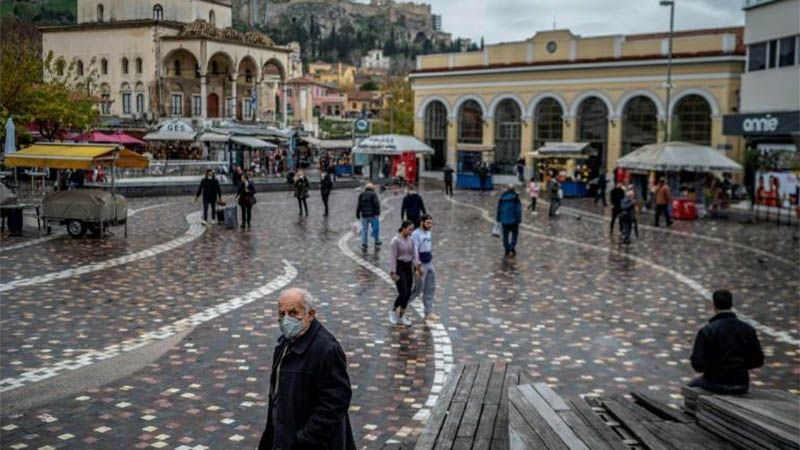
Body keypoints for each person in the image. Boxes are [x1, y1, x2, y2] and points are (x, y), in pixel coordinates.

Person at [257, 288, 356, 450]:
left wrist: (304, 439)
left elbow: (335, 402)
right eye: (282, 314)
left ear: (310, 314)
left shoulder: (326, 349)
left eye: (293, 313)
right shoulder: (286, 344)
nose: (286, 319)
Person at [688, 290, 764, 395]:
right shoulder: (748, 329)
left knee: (690, 387)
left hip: (715, 383)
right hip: (741, 384)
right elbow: (758, 360)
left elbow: (698, 364)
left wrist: (713, 369)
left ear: (714, 305)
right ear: (731, 304)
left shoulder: (707, 331)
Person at [389, 220, 420, 326]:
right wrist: (392, 272)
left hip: (408, 267)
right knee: (403, 292)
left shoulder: (411, 241)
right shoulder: (395, 241)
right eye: (409, 229)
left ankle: (402, 315)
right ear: (403, 228)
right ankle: (393, 311)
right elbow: (392, 257)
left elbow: (415, 254)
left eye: (412, 229)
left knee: (408, 293)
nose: (411, 232)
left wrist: (417, 266)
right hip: (399, 267)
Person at [411, 214, 438, 321]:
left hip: (429, 263)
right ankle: (401, 306)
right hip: (420, 265)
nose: (430, 225)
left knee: (430, 288)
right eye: (428, 223)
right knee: (418, 289)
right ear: (422, 222)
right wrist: (417, 267)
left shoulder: (429, 233)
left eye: (431, 223)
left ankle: (428, 312)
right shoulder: (415, 235)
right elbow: (415, 251)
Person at [496, 184, 522, 257]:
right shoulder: (516, 198)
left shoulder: (502, 198)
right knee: (515, 234)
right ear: (514, 189)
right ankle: (512, 247)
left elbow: (499, 209)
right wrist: (519, 219)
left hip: (504, 220)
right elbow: (518, 210)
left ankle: (506, 248)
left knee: (505, 235)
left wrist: (498, 218)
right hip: (514, 220)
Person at [356, 183, 381, 251]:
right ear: (372, 188)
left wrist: (357, 214)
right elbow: (377, 204)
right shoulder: (373, 194)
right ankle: (376, 243)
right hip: (373, 215)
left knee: (364, 230)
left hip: (364, 215)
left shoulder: (361, 195)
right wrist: (377, 213)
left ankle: (364, 244)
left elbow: (359, 205)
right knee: (375, 229)